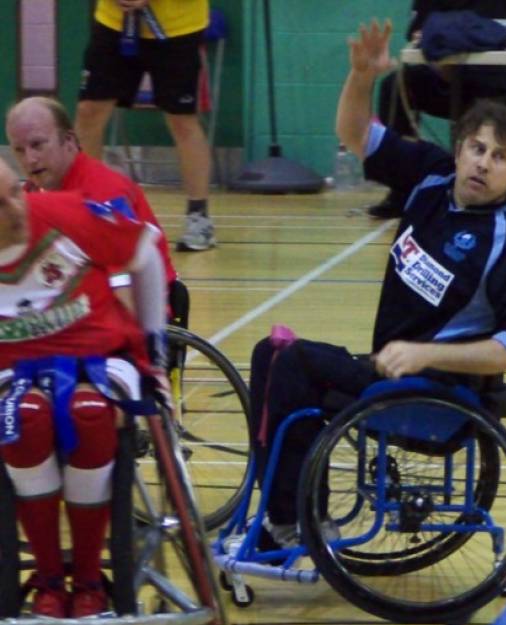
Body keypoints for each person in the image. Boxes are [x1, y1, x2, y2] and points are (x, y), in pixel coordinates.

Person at [246, 20, 506, 547]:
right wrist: (362, 76)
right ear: (458, 150)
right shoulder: (431, 178)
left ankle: (289, 522)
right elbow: (355, 134)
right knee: (268, 356)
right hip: (388, 372)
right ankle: (292, 506)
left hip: (437, 393)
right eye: (477, 148)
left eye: (500, 158)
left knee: (294, 362)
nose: (483, 163)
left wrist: (425, 354)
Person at [0, 159, 170, 618]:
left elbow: (146, 251)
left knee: (89, 411)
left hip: (100, 355)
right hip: (13, 371)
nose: (18, 206)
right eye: (2, 203)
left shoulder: (66, 214)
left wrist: (154, 342)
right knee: (25, 419)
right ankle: (50, 578)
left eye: (16, 191)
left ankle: (90, 577)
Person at [5, 96, 184, 325]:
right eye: (19, 150)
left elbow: (124, 285)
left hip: (131, 315)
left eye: (38, 145)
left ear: (68, 140)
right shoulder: (31, 194)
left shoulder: (103, 193)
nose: (30, 159)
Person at [364, 0, 506, 220]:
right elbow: (420, 37)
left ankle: (505, 194)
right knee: (396, 85)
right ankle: (402, 188)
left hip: (495, 82)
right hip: (447, 80)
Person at [74, 0, 217, 252]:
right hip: (114, 21)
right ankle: (86, 207)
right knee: (89, 111)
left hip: (178, 28)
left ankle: (199, 216)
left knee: (181, 119)